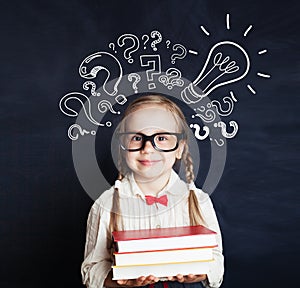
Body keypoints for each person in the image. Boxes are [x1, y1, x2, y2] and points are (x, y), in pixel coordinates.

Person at [81, 94, 224, 288]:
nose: (148, 148)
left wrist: (202, 272)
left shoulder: (198, 201)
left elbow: (216, 260)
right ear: (123, 147)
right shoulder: (106, 204)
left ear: (180, 148)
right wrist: (121, 282)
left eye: (162, 138)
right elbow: (91, 270)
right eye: (137, 137)